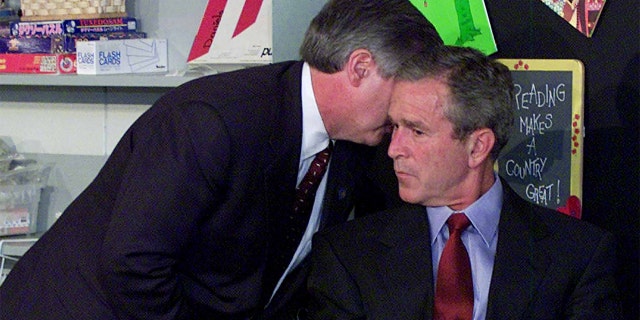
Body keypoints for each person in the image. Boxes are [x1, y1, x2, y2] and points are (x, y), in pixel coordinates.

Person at [0, 1, 443, 319]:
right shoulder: (213, 122)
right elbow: (133, 266)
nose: (407, 112)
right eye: (405, 88)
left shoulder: (358, 142)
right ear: (360, 68)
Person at [306, 45, 622, 319]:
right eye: (395, 127)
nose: (393, 149)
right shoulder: (347, 256)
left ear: (477, 147)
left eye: (416, 131)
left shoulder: (578, 257)